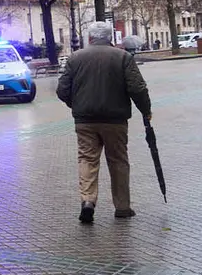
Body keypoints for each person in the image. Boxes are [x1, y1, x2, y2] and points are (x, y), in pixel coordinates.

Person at [56, 21, 152, 224]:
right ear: (110, 38)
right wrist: (146, 111)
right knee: (118, 160)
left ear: (89, 38)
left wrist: (77, 104)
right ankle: (122, 207)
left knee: (87, 159)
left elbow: (62, 89)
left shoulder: (75, 58)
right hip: (115, 120)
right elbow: (137, 88)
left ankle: (88, 201)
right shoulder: (123, 57)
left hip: (85, 121)